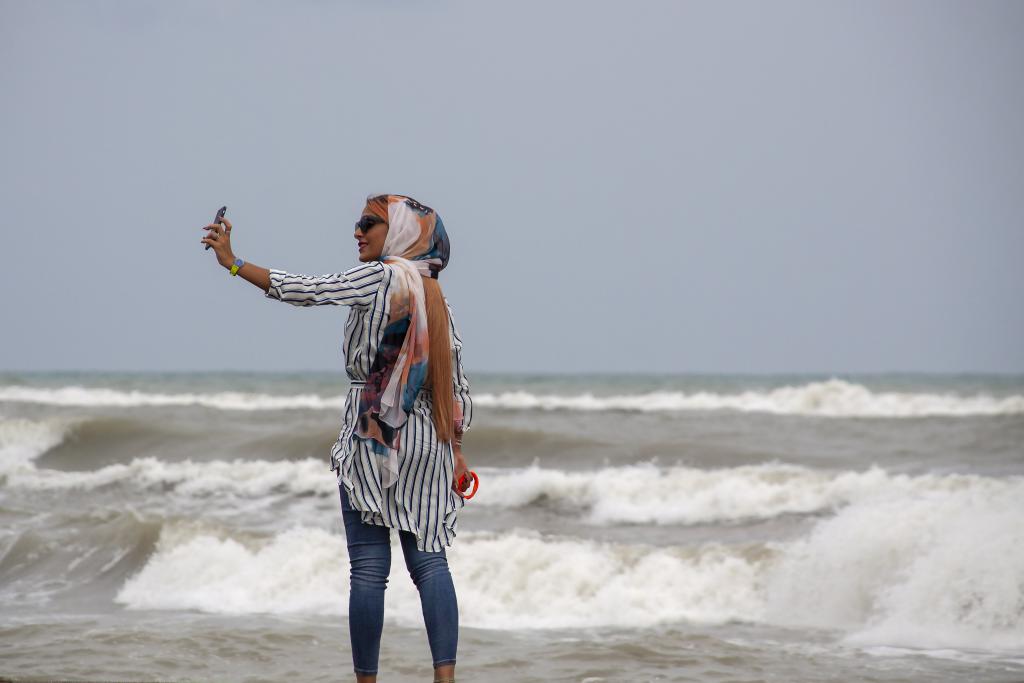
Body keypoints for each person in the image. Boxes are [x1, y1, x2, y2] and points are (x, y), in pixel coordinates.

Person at [200, 194, 473, 683]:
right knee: (431, 563)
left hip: (373, 432)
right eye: (359, 222)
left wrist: (234, 264)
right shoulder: (435, 293)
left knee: (369, 569)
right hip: (428, 442)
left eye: (371, 223)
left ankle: (366, 681)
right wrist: (455, 450)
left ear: (400, 233)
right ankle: (445, 679)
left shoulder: (381, 276)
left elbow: (309, 289)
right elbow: (454, 384)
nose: (357, 231)